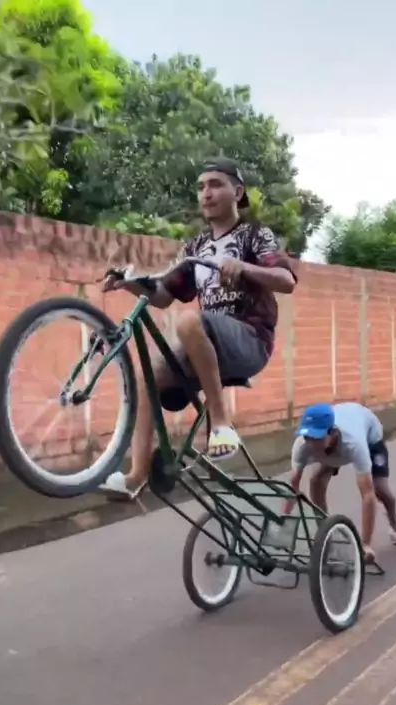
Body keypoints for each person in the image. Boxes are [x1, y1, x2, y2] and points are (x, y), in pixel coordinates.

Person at [101, 156, 297, 498]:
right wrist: (128, 283)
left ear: (238, 193)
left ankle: (220, 424)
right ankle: (136, 476)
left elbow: (286, 280)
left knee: (189, 320)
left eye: (216, 185)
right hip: (204, 345)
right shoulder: (196, 247)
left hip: (250, 341)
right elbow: (163, 296)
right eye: (201, 187)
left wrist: (245, 268)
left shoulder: (254, 234)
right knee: (148, 377)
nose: (206, 193)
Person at [286, 401, 396, 562]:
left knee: (379, 489)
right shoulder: (302, 446)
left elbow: (367, 495)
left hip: (370, 438)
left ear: (332, 432)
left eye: (316, 438)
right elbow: (293, 486)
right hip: (333, 449)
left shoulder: (354, 444)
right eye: (307, 437)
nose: (311, 443)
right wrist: (284, 518)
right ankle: (325, 534)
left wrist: (365, 544)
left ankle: (395, 523)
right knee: (316, 480)